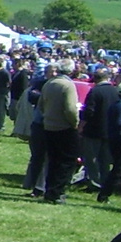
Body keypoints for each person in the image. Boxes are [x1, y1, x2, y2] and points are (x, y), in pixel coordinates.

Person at [38, 64, 82, 203]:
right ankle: (57, 192)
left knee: (53, 160)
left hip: (49, 125)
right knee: (66, 161)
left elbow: (41, 104)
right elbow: (70, 109)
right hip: (64, 127)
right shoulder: (68, 85)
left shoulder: (49, 83)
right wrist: (75, 123)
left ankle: (49, 190)